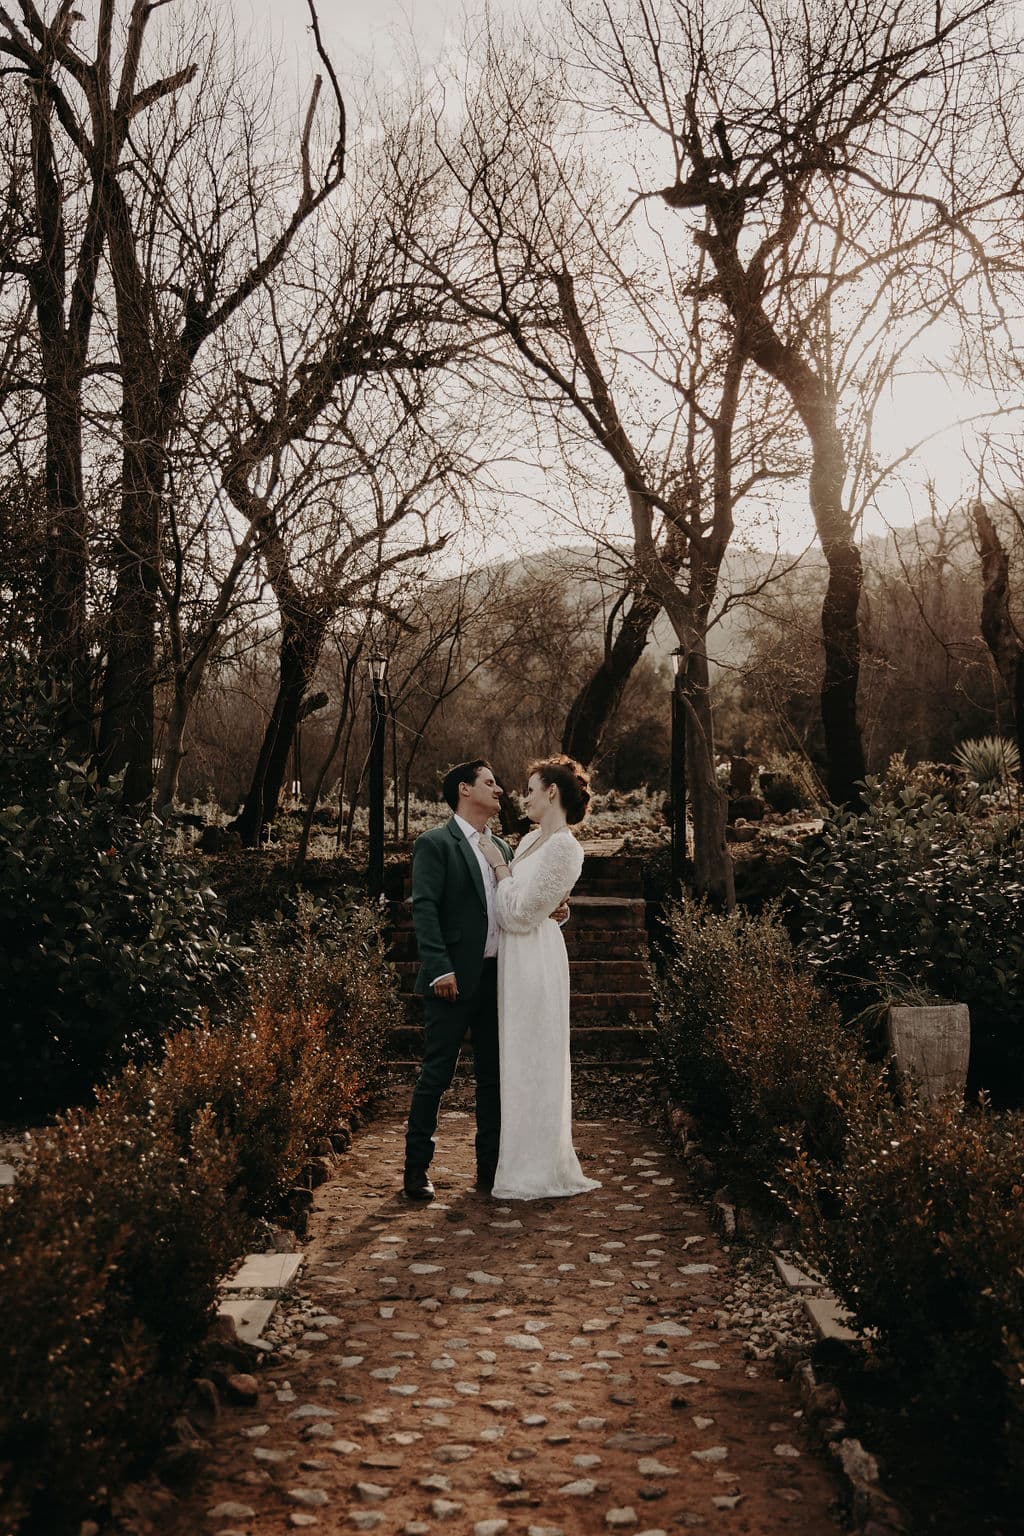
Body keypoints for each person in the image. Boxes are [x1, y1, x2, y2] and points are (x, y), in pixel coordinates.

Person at [402, 760, 568, 1199]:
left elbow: (516, 908)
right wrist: (439, 967)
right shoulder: (435, 843)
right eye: (490, 783)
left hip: (501, 980)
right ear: (464, 790)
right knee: (436, 1075)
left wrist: (551, 911)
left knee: (495, 1079)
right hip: (452, 979)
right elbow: (425, 909)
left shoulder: (506, 850)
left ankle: (490, 1167)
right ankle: (416, 1170)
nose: (500, 790)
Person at [478, 755, 601, 1201]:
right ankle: (514, 1158)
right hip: (517, 958)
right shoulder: (530, 840)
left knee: (534, 1057)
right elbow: (529, 904)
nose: (523, 796)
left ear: (552, 792)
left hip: (535, 964)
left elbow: (517, 911)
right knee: (516, 1057)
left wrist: (499, 867)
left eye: (530, 788)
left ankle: (537, 1166)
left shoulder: (567, 847)